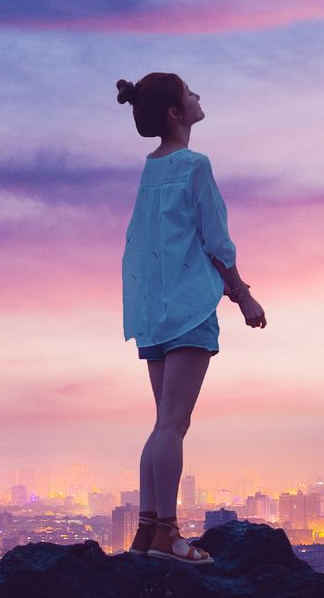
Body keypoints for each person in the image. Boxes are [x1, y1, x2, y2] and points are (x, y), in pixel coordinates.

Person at [115, 72, 267, 564]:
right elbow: (215, 240)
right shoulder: (193, 166)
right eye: (190, 94)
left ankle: (145, 532)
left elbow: (144, 246)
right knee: (173, 426)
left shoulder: (150, 170)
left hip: (152, 311)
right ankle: (169, 536)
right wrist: (243, 296)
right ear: (177, 114)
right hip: (188, 309)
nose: (199, 97)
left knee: (161, 424)